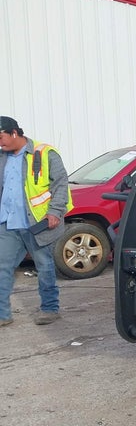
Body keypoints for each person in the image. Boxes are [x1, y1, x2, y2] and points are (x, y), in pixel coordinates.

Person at [0, 116, 72, 326]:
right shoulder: (2, 157)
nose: (0, 142)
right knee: (3, 267)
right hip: (7, 222)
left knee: (44, 265)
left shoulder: (44, 153)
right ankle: (3, 314)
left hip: (36, 223)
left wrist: (55, 212)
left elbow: (60, 185)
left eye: (1, 137)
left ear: (14, 133)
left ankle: (50, 309)